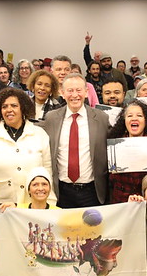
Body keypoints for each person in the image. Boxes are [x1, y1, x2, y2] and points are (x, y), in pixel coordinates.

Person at [40, 73, 110, 208]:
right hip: (62, 191)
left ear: (86, 92)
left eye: (78, 90)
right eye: (70, 90)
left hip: (92, 191)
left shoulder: (101, 118)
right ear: (62, 93)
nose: (75, 95)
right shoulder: (51, 118)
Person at [0, 88, 54, 208]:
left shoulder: (39, 134)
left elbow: (48, 173)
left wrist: (50, 204)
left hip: (35, 208)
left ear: (23, 108)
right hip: (2, 208)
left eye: (14, 106)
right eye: (4, 107)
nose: (9, 110)